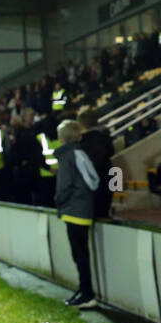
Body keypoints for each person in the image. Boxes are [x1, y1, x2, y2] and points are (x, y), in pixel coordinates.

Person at [54, 119, 100, 310]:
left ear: (62, 137)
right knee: (80, 255)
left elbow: (90, 181)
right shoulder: (75, 154)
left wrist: (60, 199)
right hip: (77, 209)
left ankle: (87, 293)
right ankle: (84, 291)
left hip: (75, 210)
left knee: (80, 255)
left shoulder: (71, 155)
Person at [76, 109, 115, 220]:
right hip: (106, 176)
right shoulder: (104, 137)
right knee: (104, 212)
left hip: (94, 180)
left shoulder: (86, 141)